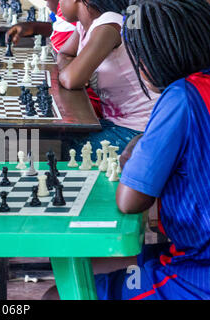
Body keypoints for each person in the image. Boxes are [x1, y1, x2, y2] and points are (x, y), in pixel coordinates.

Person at [44, 0, 210, 300]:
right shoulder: (196, 90)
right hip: (191, 251)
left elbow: (129, 200)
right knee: (84, 268)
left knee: (58, 294)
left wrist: (138, 149)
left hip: (199, 272)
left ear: (156, 57)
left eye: (140, 57)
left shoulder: (180, 99)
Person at [55, 0, 159, 159]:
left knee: (67, 149)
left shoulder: (109, 24)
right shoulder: (84, 25)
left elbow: (71, 80)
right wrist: (70, 69)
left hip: (140, 130)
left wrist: (72, 72)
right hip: (115, 122)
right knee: (61, 137)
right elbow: (64, 54)